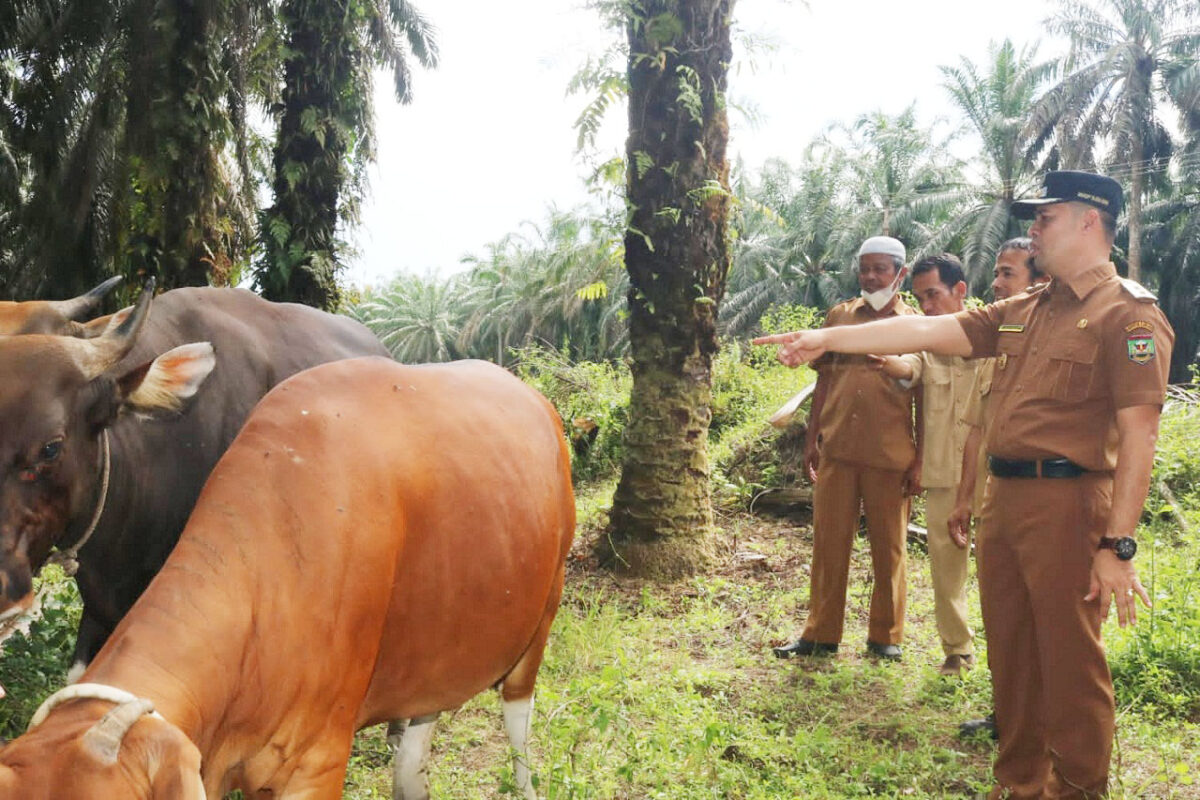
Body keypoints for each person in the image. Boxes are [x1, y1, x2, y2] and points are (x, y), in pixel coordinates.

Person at [754, 171, 1173, 799]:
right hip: (1003, 500)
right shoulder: (1027, 309)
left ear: (1090, 221)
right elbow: (927, 331)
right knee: (1011, 653)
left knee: (1069, 661)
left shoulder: (1128, 314)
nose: (1034, 230)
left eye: (1046, 218)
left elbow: (1141, 434)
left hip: (1068, 503)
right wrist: (826, 338)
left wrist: (1119, 545)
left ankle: (1077, 788)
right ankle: (1020, 783)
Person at [772, 235, 919, 662]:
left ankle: (885, 636)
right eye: (864, 268)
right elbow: (825, 379)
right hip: (837, 449)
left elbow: (927, 396)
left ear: (900, 274)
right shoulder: (840, 317)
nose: (870, 277)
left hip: (890, 455)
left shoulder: (914, 325)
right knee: (829, 544)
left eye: (880, 269)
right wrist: (812, 436)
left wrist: (922, 459)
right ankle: (820, 634)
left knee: (889, 547)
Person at [952, 238, 1048, 738]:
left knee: (1045, 618)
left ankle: (1047, 724)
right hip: (997, 502)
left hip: (1046, 505)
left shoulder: (1052, 349)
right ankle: (1007, 714)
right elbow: (976, 432)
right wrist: (965, 500)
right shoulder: (1000, 346)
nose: (996, 283)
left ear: (1039, 282)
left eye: (1008, 273)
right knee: (1004, 616)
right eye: (997, 273)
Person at [871, 254, 981, 676]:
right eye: (920, 299)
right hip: (944, 471)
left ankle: (1012, 652)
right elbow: (909, 368)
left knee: (1002, 567)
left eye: (933, 295)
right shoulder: (927, 343)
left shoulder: (993, 333)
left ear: (960, 290)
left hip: (993, 473)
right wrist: (887, 362)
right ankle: (958, 649)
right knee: (946, 566)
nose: (927, 307)